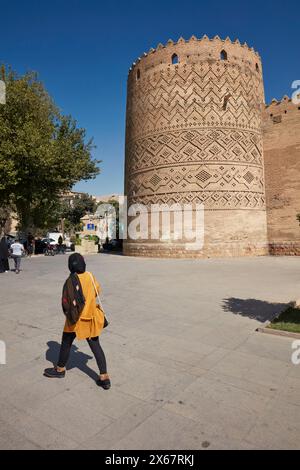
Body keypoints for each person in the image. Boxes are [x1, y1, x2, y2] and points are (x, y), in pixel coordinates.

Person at [44, 253, 110, 389]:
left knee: (66, 343)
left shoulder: (70, 280)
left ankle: (60, 370)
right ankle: (104, 377)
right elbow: (98, 291)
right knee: (96, 346)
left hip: (74, 321)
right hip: (89, 318)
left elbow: (65, 302)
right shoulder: (90, 276)